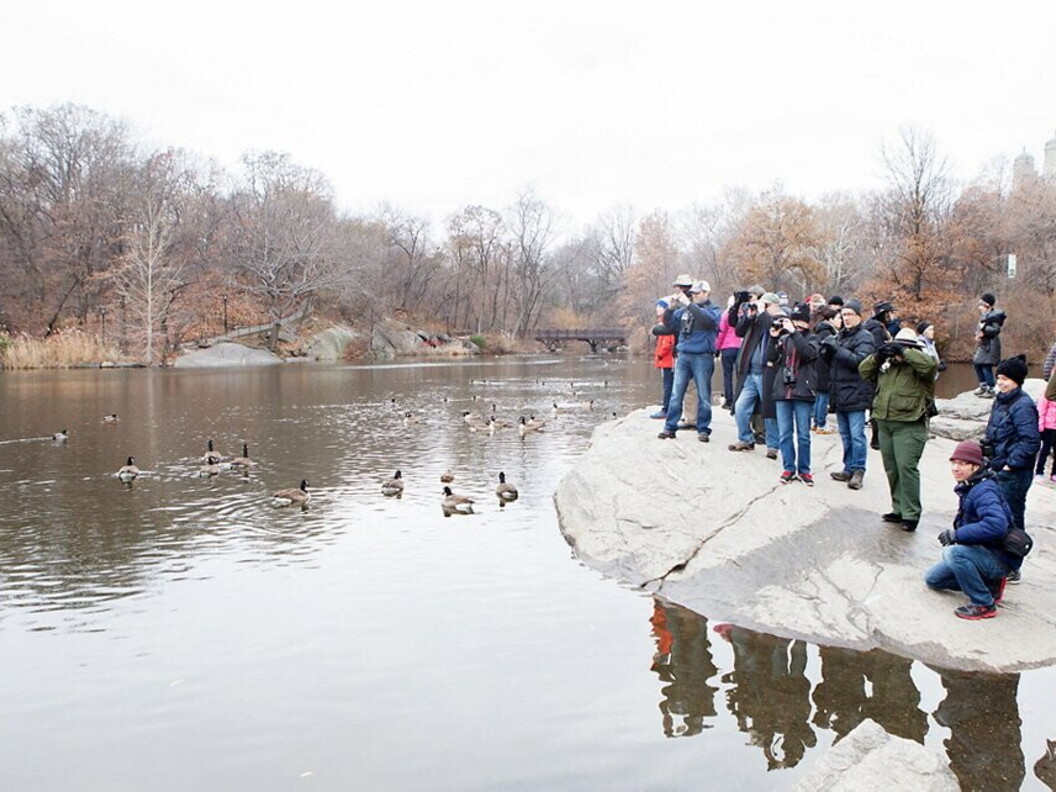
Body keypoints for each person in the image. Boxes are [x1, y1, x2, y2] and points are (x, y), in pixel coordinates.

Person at [924, 440, 1018, 620]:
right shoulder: (972, 485)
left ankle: (984, 603)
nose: (956, 468)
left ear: (976, 466)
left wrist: (956, 535)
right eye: (954, 463)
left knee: (954, 553)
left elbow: (997, 525)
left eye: (963, 463)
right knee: (933, 579)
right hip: (984, 550)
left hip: (999, 557)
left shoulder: (984, 490)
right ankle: (991, 585)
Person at [859, 328, 937, 531]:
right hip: (885, 421)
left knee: (906, 468)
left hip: (909, 423)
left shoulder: (920, 364)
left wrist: (905, 353)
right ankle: (898, 508)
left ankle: (911, 514)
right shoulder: (887, 365)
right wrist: (877, 356)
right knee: (892, 468)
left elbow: (930, 367)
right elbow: (863, 371)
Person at [981, 355, 1040, 546]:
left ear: (1016, 381)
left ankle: (1013, 563)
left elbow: (1030, 441)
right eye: (999, 378)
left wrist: (1010, 465)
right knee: (995, 514)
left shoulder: (1023, 405)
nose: (1000, 383)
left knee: (1012, 517)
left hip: (1014, 473)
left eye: (1005, 379)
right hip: (996, 465)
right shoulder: (1000, 400)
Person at [819, 299, 876, 489]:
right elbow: (833, 365)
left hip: (857, 392)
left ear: (859, 316)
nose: (846, 318)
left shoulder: (865, 337)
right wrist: (826, 352)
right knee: (845, 434)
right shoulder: (840, 336)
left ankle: (859, 470)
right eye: (844, 315)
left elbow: (861, 362)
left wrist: (837, 349)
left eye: (850, 315)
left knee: (857, 434)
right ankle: (848, 467)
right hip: (840, 391)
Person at [657, 281, 722, 442]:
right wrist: (670, 308)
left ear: (707, 293)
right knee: (676, 393)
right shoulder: (684, 310)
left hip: (702, 356)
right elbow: (670, 324)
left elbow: (709, 321)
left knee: (703, 394)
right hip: (684, 354)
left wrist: (689, 305)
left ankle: (703, 429)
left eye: (698, 293)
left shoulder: (713, 310)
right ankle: (670, 427)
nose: (694, 296)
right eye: (693, 294)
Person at [768, 303, 819, 485]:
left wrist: (795, 333)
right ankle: (788, 467)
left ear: (806, 323)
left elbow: (807, 354)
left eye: (799, 321)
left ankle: (804, 470)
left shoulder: (813, 339)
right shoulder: (784, 338)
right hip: (783, 390)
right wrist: (773, 339)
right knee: (785, 433)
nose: (796, 324)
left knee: (803, 435)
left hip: (803, 391)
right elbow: (770, 359)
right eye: (793, 320)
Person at [728, 289, 781, 457]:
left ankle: (773, 444)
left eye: (765, 305)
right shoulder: (756, 319)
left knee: (769, 411)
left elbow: (772, 325)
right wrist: (749, 316)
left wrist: (763, 311)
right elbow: (738, 330)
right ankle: (745, 439)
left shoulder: (780, 318)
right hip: (750, 372)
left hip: (767, 373)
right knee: (741, 407)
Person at [811, 306, 840, 433]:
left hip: (818, 366)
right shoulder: (827, 333)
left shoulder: (820, 330)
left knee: (819, 396)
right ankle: (821, 424)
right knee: (823, 397)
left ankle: (816, 422)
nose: (841, 320)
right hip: (824, 367)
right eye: (838, 318)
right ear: (831, 319)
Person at [973, 293, 1006, 398]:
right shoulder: (984, 315)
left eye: (981, 305)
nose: (979, 308)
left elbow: (996, 330)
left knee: (986, 365)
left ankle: (990, 388)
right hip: (984, 344)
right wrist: (978, 334)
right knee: (977, 363)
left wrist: (984, 330)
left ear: (987, 305)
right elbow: (980, 328)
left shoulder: (994, 317)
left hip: (991, 345)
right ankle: (983, 385)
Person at [715, 295, 742, 414]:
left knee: (727, 375)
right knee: (740, 375)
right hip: (740, 348)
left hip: (727, 347)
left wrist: (717, 348)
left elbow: (721, 332)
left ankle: (729, 400)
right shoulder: (743, 315)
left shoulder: (725, 315)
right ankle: (740, 399)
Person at [650, 298, 676, 420]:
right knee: (669, 384)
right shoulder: (664, 321)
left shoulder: (667, 322)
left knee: (668, 385)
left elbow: (668, 341)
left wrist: (660, 354)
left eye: (660, 307)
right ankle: (670, 408)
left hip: (668, 360)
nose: (657, 309)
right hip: (667, 360)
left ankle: (667, 409)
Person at [1036, 386, 1056, 483]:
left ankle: (1054, 473)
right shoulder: (1048, 392)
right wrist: (1040, 426)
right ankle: (1039, 471)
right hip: (1049, 426)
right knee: (1045, 450)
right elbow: (1041, 409)